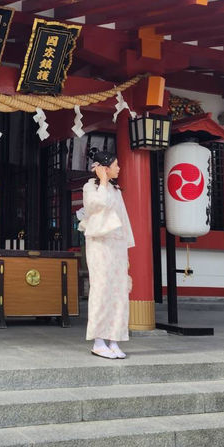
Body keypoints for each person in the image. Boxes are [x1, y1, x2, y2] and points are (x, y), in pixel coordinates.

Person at [78, 149, 134, 359]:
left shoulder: (116, 190)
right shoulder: (90, 187)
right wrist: (102, 181)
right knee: (101, 290)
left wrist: (126, 248)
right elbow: (95, 206)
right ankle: (99, 341)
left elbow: (123, 218)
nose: (119, 168)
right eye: (115, 165)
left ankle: (114, 340)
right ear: (104, 168)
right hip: (99, 243)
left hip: (116, 243)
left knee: (119, 292)